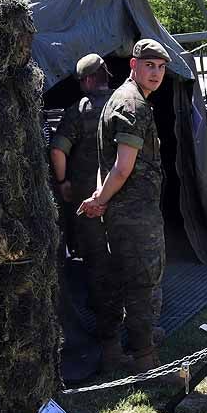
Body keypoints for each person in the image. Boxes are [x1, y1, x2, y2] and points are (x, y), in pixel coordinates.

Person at [78, 38, 169, 372]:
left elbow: (110, 164)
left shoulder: (124, 99)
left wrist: (100, 199)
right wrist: (100, 200)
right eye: (149, 65)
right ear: (134, 65)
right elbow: (122, 167)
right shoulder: (133, 105)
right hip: (134, 215)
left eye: (161, 67)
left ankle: (115, 350)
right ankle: (147, 364)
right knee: (144, 285)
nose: (156, 73)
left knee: (119, 282)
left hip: (124, 212)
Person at [50, 54, 120, 370]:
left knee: (97, 264)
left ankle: (108, 340)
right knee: (126, 262)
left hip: (88, 202)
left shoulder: (78, 112)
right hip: (123, 200)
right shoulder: (124, 104)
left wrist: (63, 182)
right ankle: (136, 329)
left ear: (88, 80)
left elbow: (57, 149)